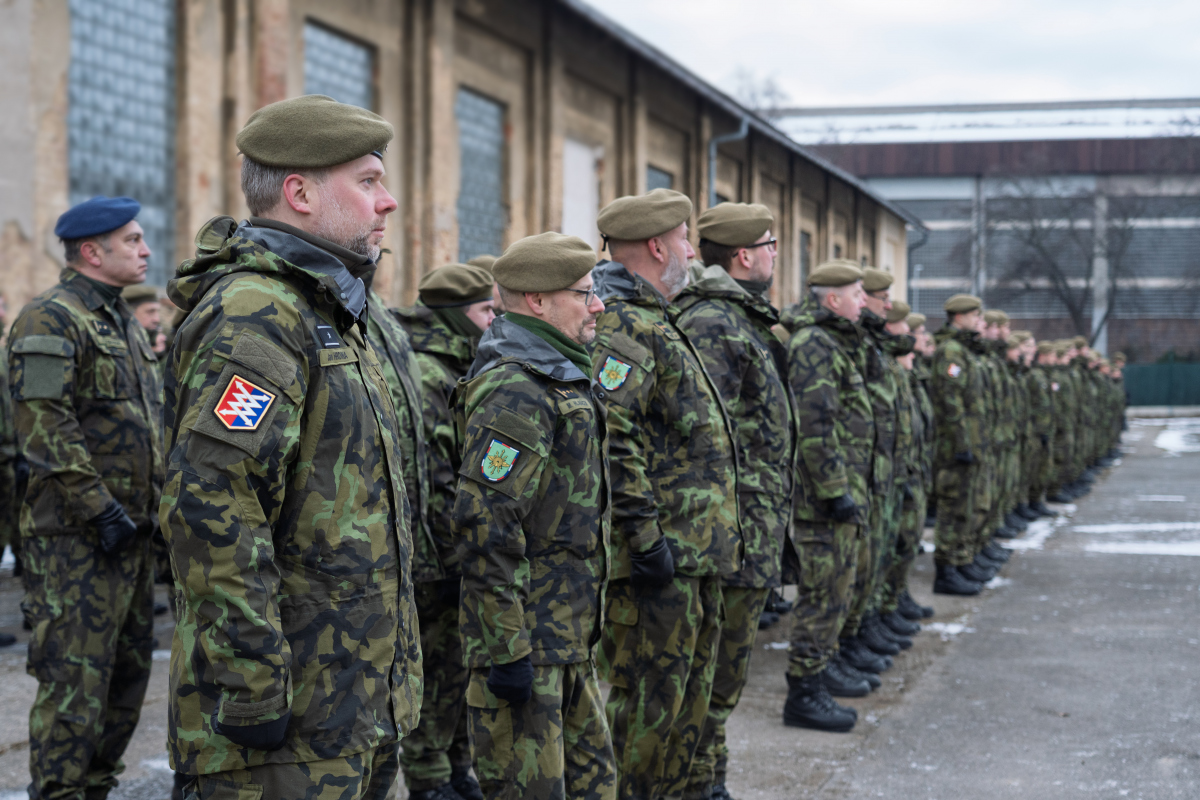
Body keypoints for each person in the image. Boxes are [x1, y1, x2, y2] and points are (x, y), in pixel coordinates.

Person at [160, 95, 420, 798]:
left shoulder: (327, 309)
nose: (388, 201)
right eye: (368, 182)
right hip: (287, 723)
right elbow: (212, 505)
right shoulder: (258, 311)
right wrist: (250, 684)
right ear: (300, 194)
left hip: (350, 700)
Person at [8, 195, 163, 799]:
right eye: (133, 240)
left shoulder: (120, 321)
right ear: (92, 252)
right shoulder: (50, 318)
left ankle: (95, 789)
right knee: (74, 684)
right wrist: (100, 509)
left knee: (126, 681)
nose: (146, 250)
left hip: (131, 535)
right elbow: (44, 426)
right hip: (76, 540)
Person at [452, 232, 614, 800]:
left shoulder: (557, 371)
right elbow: (485, 527)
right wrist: (506, 650)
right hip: (529, 644)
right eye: (584, 293)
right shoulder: (516, 387)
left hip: (566, 635)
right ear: (538, 301)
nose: (598, 305)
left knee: (596, 784)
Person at [590, 189, 741, 800]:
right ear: (657, 247)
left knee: (686, 707)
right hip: (662, 558)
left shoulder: (656, 319)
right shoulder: (625, 325)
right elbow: (612, 433)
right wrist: (645, 537)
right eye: (685, 240)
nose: (692, 253)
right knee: (652, 711)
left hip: (693, 553)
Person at [675, 203, 799, 799]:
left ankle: (708, 778)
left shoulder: (740, 318)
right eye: (771, 244)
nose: (777, 253)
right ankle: (698, 782)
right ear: (744, 255)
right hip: (730, 531)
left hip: (751, 524)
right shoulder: (712, 322)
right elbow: (700, 437)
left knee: (724, 677)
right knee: (712, 675)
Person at [396, 262, 496, 800]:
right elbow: (433, 475)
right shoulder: (429, 372)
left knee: (461, 666)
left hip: (456, 550)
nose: (493, 321)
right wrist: (452, 555)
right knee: (435, 668)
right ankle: (429, 775)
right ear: (456, 316)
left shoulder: (466, 363)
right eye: (484, 311)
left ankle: (456, 766)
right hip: (437, 555)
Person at [778, 261, 874, 733]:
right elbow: (815, 423)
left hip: (839, 491)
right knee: (822, 592)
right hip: (822, 499)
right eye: (857, 293)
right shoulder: (814, 343)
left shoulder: (833, 340)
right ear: (832, 300)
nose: (864, 301)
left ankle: (822, 668)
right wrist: (835, 490)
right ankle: (804, 691)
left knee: (838, 589)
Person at [929, 294, 989, 595]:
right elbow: (950, 401)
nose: (979, 320)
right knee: (952, 507)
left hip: (969, 443)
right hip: (954, 447)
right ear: (959, 316)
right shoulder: (950, 351)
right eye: (975, 315)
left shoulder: (963, 350)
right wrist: (962, 443)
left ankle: (961, 560)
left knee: (966, 506)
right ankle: (946, 569)